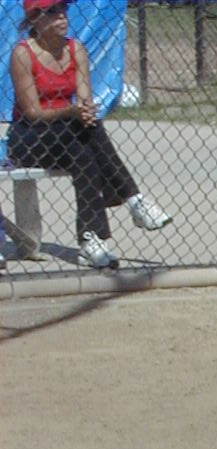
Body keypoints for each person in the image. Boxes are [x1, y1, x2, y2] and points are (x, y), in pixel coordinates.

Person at [7, 0, 172, 268]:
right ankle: (133, 199)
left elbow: (85, 101)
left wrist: (85, 111)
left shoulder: (76, 49)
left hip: (69, 137)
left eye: (63, 9)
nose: (62, 16)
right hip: (30, 138)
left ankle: (91, 240)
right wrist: (74, 111)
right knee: (80, 129)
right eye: (52, 11)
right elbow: (32, 112)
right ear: (35, 18)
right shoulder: (23, 54)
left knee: (84, 152)